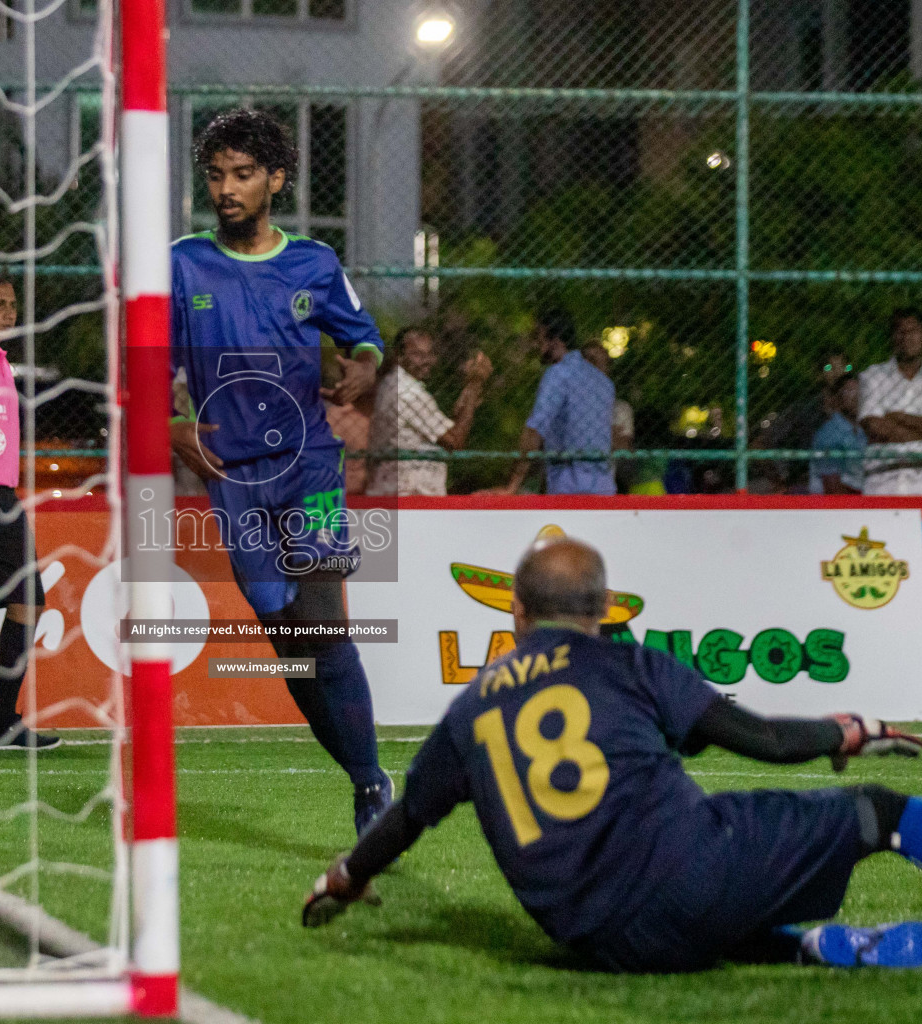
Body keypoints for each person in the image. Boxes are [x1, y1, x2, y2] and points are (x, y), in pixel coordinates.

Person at [303, 535, 922, 977]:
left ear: (515, 614)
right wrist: (849, 730)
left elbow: (403, 822)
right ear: (606, 606)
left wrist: (342, 878)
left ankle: (807, 948)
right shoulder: (631, 666)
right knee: (880, 813)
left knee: (683, 909)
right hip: (694, 878)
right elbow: (766, 742)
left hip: (597, 943)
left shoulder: (468, 713)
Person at [170, 107, 393, 835]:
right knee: (288, 642)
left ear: (276, 180)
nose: (226, 189)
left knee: (324, 627)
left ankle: (368, 790)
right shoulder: (181, 264)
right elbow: (140, 365)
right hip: (233, 482)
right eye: (215, 175)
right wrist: (170, 424)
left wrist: (363, 371)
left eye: (241, 175)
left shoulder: (313, 264)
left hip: (311, 470)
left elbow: (366, 344)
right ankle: (365, 773)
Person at [0, 274, 58, 751]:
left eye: (13, 304)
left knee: (28, 603)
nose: (9, 312)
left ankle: (2, 724)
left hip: (4, 496)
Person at [483, 308, 614, 495]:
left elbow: (534, 431)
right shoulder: (604, 382)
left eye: (539, 337)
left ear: (554, 340)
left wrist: (511, 486)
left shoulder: (558, 373)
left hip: (570, 487)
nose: (536, 344)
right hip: (604, 486)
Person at [365, 326, 491, 497]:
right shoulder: (408, 392)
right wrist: (475, 383)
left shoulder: (393, 384)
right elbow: (455, 441)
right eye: (417, 355)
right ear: (399, 356)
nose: (427, 361)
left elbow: (442, 432)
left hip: (395, 491)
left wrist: (468, 392)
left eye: (429, 354)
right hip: (409, 497)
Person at [859, 308, 922, 495]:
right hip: (883, 479)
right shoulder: (872, 376)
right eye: (900, 331)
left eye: (913, 331)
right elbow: (875, 427)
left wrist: (898, 417)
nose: (906, 337)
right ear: (892, 337)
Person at [752, 349, 853, 491]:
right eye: (829, 368)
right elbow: (758, 445)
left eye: (843, 367)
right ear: (819, 375)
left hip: (847, 483)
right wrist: (780, 481)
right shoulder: (803, 410)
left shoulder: (858, 410)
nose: (838, 373)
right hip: (807, 484)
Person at [580, 341, 634, 492]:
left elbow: (623, 447)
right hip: (566, 486)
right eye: (590, 360)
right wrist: (607, 434)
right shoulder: (564, 404)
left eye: (602, 362)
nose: (596, 367)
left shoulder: (620, 409)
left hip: (602, 486)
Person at [809, 372, 865, 495]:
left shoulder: (865, 429)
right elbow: (832, 488)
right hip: (832, 504)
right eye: (849, 391)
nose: (856, 397)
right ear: (837, 399)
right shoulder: (829, 433)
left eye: (860, 391)